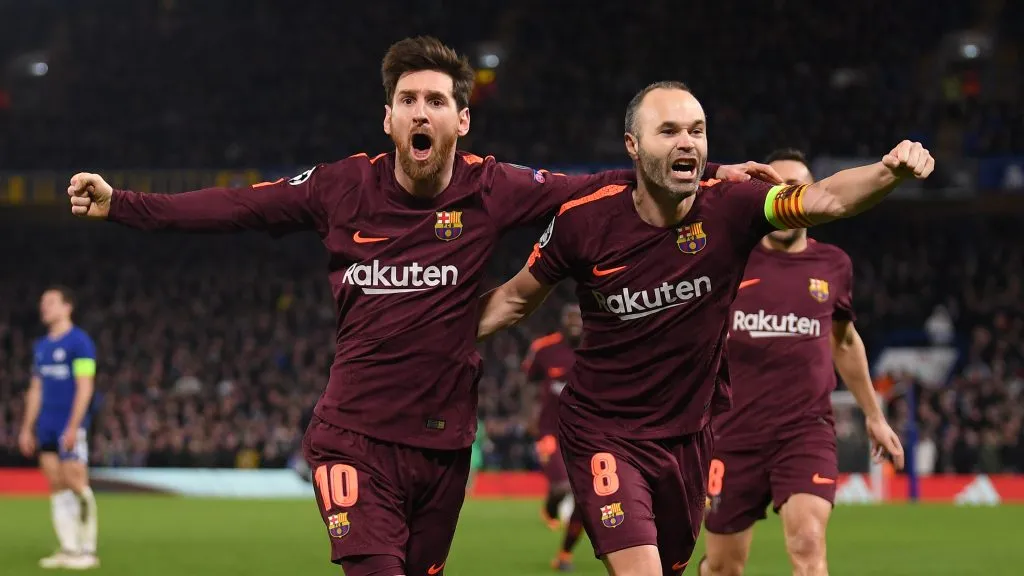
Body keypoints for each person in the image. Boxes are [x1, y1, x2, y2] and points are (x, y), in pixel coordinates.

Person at [65, 37, 771, 576]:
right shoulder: (342, 187)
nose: (422, 111)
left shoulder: (492, 189)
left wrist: (703, 174)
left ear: (462, 119)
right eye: (409, 100)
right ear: (389, 118)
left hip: (443, 448)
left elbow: (597, 184)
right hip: (353, 437)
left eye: (437, 101)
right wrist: (124, 204)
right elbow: (237, 206)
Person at [476, 80, 933, 575]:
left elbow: (825, 199)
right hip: (604, 430)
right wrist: (425, 336)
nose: (686, 141)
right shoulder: (583, 221)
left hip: (689, 437)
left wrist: (888, 171)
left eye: (696, 130)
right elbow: (515, 299)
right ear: (632, 145)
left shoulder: (734, 207)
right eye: (668, 130)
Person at [698, 149, 905, 576]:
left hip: (804, 431)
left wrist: (873, 415)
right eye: (777, 188)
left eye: (798, 188)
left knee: (808, 544)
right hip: (732, 435)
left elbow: (844, 342)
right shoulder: (730, 259)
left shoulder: (833, 265)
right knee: (723, 567)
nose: (788, 195)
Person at [19, 286, 100, 570]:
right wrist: (27, 428)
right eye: (43, 303)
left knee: (76, 481)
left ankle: (88, 551)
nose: (45, 307)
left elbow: (85, 386)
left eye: (51, 302)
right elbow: (36, 388)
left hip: (70, 423)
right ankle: (69, 547)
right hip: (47, 425)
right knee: (55, 484)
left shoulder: (80, 342)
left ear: (68, 307)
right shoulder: (41, 347)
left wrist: (74, 425)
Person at [522, 303, 585, 571]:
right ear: (563, 321)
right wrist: (529, 416)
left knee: (585, 500)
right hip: (550, 431)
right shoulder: (545, 348)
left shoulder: (598, 348)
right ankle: (550, 508)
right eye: (570, 317)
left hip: (585, 434)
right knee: (561, 486)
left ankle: (564, 556)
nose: (575, 322)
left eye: (579, 318)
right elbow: (528, 382)